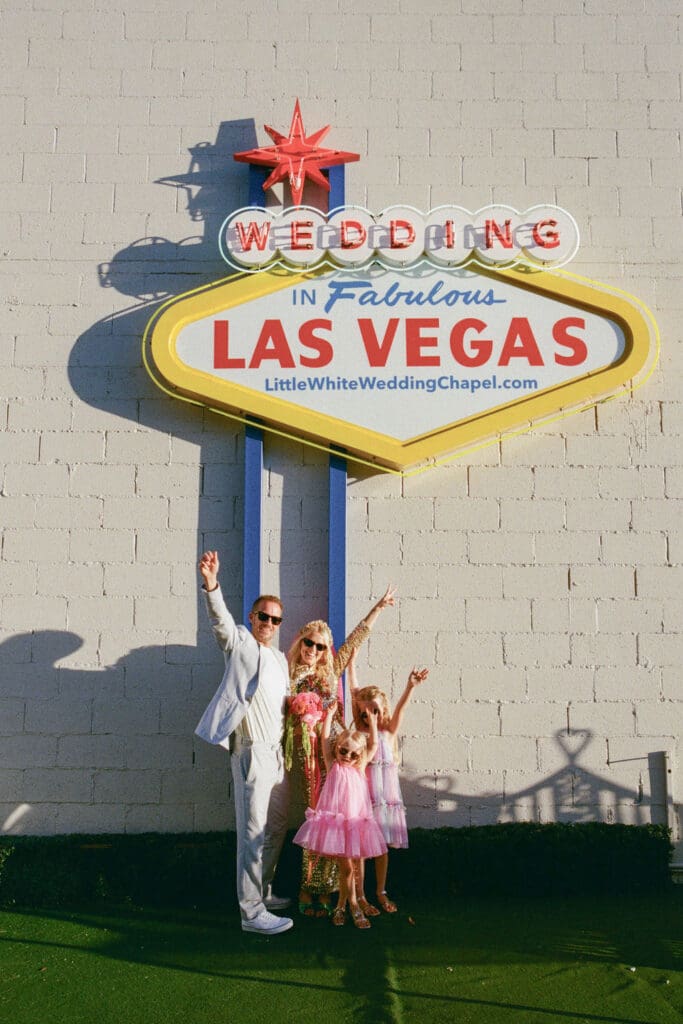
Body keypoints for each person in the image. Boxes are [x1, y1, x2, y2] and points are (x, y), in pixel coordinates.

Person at [194, 549, 293, 935]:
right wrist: (211, 584)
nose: (268, 623)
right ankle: (251, 913)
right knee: (252, 832)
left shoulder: (280, 660)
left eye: (275, 619)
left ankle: (262, 892)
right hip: (251, 750)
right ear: (252, 618)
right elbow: (220, 621)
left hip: (277, 754)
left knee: (276, 826)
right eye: (263, 616)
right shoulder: (240, 643)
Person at [284, 585, 396, 916]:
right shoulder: (286, 671)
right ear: (301, 641)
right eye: (309, 643)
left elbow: (355, 639)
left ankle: (330, 890)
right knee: (317, 816)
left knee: (339, 819)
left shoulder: (331, 669)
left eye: (320, 646)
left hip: (338, 754)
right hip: (308, 753)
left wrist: (378, 608)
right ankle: (308, 887)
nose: (313, 650)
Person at [293, 701, 387, 929]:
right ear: (337, 749)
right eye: (343, 751)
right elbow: (325, 740)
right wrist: (329, 715)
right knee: (346, 868)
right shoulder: (332, 763)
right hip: (336, 825)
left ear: (359, 756)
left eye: (353, 754)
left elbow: (373, 745)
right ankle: (353, 906)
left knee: (354, 866)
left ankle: (342, 905)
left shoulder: (359, 767)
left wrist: (373, 723)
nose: (347, 756)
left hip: (356, 823)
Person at [348, 652, 429, 915]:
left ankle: (380, 891)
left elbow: (401, 709)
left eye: (374, 710)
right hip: (365, 799)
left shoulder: (388, 732)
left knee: (382, 848)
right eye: (365, 712)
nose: (369, 715)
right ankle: (360, 895)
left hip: (386, 799)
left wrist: (410, 687)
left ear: (382, 708)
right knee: (362, 848)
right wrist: (351, 665)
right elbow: (354, 692)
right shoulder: (361, 735)